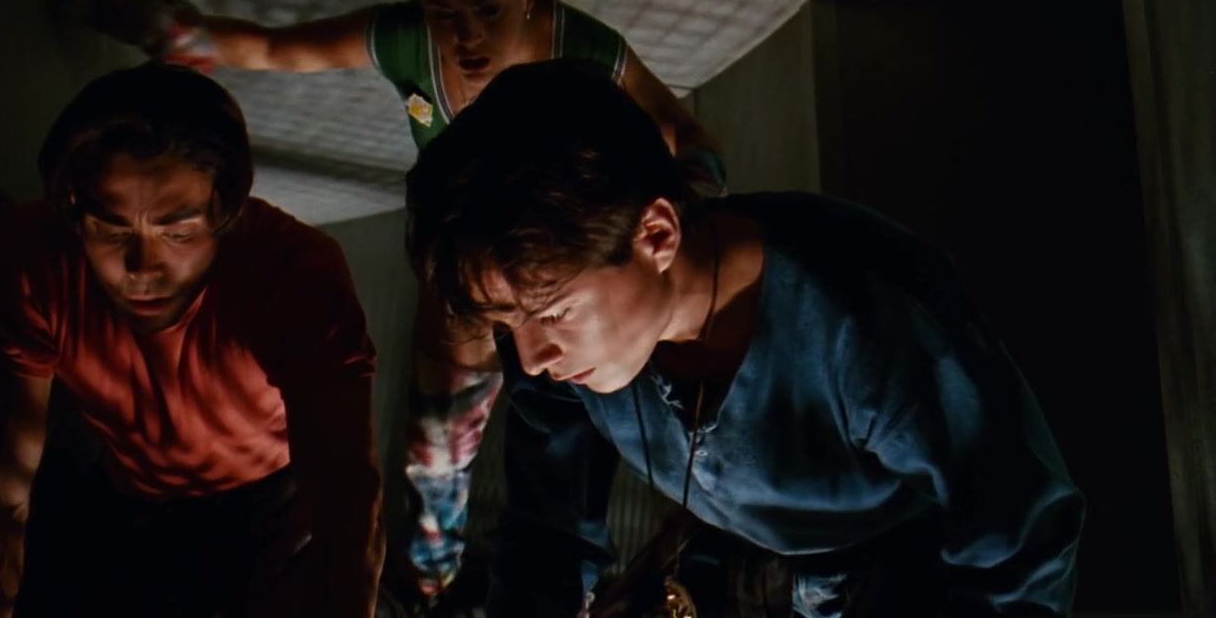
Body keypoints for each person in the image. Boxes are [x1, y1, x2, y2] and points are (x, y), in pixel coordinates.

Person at [47, 0, 727, 605]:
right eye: (445, 14)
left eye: (489, 11)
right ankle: (434, 581)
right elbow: (274, 48)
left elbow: (682, 132)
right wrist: (137, 18)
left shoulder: (578, 47)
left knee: (568, 439)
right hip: (465, 278)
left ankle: (560, 578)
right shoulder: (410, 42)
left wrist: (691, 221)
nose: (467, 37)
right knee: (438, 448)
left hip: (565, 281)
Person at [403, 59, 1086, 617]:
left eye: (553, 314)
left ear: (655, 235)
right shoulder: (556, 342)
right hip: (736, 560)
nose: (530, 360)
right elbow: (546, 538)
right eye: (506, 326)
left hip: (907, 574)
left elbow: (1019, 539)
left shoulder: (870, 320)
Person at [0, 63, 384, 617]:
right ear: (75, 210)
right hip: (127, 492)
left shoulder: (293, 273)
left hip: (270, 503)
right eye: (110, 229)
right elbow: (14, 460)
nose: (142, 265)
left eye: (178, 233)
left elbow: (347, 502)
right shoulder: (39, 260)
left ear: (225, 211)